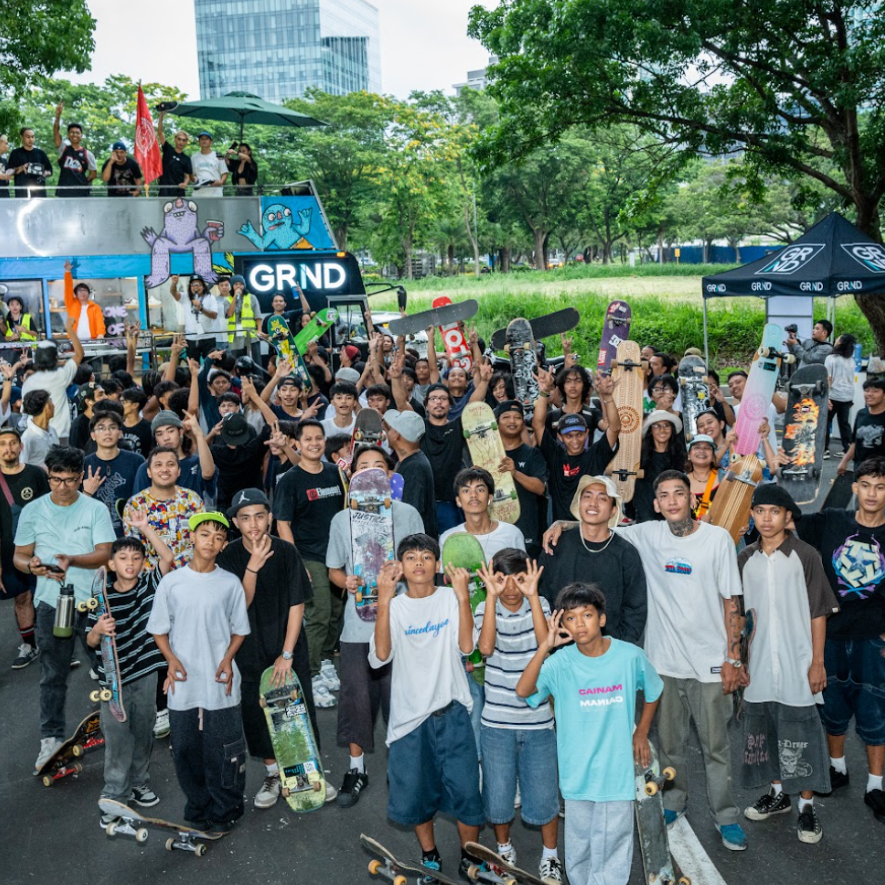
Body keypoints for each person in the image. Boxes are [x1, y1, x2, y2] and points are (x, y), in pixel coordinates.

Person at [544, 470, 748, 850]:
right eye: (664, 496)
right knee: (670, 746)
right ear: (655, 504)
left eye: (679, 494)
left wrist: (733, 658)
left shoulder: (717, 540)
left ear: (692, 499)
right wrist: (561, 521)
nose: (672, 501)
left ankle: (726, 816)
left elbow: (731, 602)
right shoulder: (645, 534)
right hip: (663, 663)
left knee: (716, 748)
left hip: (709, 664)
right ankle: (674, 802)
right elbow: (597, 520)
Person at [516, 582, 663, 885]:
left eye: (587, 615)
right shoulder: (559, 663)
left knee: (612, 849)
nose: (579, 624)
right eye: (571, 618)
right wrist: (545, 645)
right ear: (562, 623)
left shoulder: (629, 656)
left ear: (602, 619)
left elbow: (653, 689)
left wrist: (641, 732)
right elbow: (524, 690)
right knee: (580, 848)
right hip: (576, 775)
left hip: (615, 773)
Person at [368, 534, 485, 881]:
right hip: (410, 720)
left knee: (467, 791)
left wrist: (464, 597)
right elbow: (381, 656)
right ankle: (429, 854)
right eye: (411, 557)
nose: (419, 562)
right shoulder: (396, 605)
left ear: (437, 565)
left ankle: (469, 856)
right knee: (418, 793)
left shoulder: (451, 598)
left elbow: (467, 646)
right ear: (401, 568)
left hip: (453, 714)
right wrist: (385, 601)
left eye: (426, 556)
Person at [738, 484, 839, 844]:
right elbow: (738, 618)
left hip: (798, 664)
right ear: (751, 515)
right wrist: (738, 660)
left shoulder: (805, 555)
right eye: (760, 511)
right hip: (761, 664)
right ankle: (779, 795)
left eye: (774, 512)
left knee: (801, 735)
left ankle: (806, 808)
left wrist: (817, 662)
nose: (766, 518)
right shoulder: (744, 559)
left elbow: (818, 613)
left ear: (788, 517)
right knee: (765, 732)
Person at [216, 488, 329, 809]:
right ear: (236, 522)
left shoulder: (286, 551)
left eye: (259, 516)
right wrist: (252, 566)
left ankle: (308, 773)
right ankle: (272, 774)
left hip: (288, 647)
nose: (253, 524)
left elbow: (297, 604)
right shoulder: (227, 558)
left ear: (269, 518)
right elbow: (238, 607)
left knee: (297, 712)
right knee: (256, 715)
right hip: (248, 650)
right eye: (245, 517)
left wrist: (288, 653)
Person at [326, 447, 424, 807]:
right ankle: (356, 768)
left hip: (401, 622)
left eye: (378, 467)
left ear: (391, 475)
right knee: (356, 698)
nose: (370, 472)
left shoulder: (408, 514)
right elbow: (334, 569)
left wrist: (408, 570)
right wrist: (346, 582)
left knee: (403, 698)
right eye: (362, 467)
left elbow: (424, 565)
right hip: (357, 626)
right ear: (352, 476)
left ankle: (404, 768)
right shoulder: (342, 520)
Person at [794, 457, 885, 826]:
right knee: (831, 707)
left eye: (881, 486)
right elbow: (790, 513)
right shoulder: (832, 520)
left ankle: (876, 785)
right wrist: (779, 459)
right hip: (829, 634)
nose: (873, 494)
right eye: (866, 485)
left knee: (874, 710)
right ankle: (837, 767)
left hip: (872, 641)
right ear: (855, 487)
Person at [13, 446, 114, 773]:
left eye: (70, 480)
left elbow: (104, 553)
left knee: (108, 669)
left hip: (95, 602)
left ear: (81, 476)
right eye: (56, 480)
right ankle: (51, 741)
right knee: (53, 673)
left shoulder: (95, 509)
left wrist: (72, 560)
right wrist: (34, 566)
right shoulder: (33, 510)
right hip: (52, 603)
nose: (63, 487)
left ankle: (116, 726)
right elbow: (20, 556)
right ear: (49, 476)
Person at [147, 512, 250, 831]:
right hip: (184, 681)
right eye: (205, 534)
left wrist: (228, 658)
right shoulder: (172, 583)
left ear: (223, 545)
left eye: (219, 537)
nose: (211, 541)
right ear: (192, 537)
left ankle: (228, 807)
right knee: (187, 750)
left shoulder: (230, 583)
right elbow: (159, 629)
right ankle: (199, 805)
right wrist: (171, 660)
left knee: (226, 748)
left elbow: (240, 630)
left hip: (222, 680)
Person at [475, 549, 562, 883]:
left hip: (539, 721)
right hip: (497, 722)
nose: (511, 586)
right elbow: (485, 648)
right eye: (502, 579)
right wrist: (492, 600)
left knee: (543, 796)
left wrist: (534, 596)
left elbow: (546, 643)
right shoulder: (486, 607)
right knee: (497, 797)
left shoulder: (539, 604)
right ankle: (503, 848)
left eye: (519, 578)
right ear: (491, 580)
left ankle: (551, 856)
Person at [90, 516, 173, 826]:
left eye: (136, 558)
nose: (130, 563)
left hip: (145, 673)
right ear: (111, 564)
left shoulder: (150, 585)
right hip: (113, 680)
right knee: (117, 738)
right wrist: (98, 629)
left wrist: (144, 529)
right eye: (123, 558)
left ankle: (139, 784)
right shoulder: (101, 597)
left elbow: (166, 558)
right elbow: (88, 639)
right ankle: (115, 794)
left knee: (143, 731)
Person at [272, 419, 345, 708]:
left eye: (319, 438)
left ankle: (326, 658)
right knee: (319, 613)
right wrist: (296, 563)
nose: (314, 443)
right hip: (309, 555)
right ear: (297, 444)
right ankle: (311, 674)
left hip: (338, 556)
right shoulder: (290, 480)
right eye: (308, 439)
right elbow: (282, 523)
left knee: (337, 610)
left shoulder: (335, 474)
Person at [389, 352, 490, 534]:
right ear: (426, 404)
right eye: (433, 399)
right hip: (421, 501)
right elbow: (402, 404)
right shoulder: (419, 428)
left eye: (443, 399)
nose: (438, 403)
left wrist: (483, 382)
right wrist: (396, 378)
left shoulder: (457, 427)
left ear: (449, 405)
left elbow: (473, 405)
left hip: (450, 502)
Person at [540, 475, 646, 643]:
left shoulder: (626, 553)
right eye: (587, 496)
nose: (593, 503)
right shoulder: (556, 545)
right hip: (562, 650)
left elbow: (635, 608)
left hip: (610, 650)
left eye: (602, 498)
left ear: (613, 510)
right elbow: (543, 595)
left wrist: (620, 647)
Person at [532, 366, 620, 523]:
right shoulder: (555, 455)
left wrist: (607, 396)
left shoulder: (595, 456)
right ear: (559, 437)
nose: (574, 440)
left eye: (579, 435)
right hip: (560, 527)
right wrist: (544, 392)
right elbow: (538, 425)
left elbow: (614, 428)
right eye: (569, 435)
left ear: (587, 433)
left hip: (590, 525)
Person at [0, 425, 49, 669]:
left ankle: (56, 647)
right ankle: (30, 645)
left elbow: (51, 510)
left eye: (12, 443)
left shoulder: (35, 474)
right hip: (8, 555)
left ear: (21, 446)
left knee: (46, 597)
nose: (7, 448)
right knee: (21, 597)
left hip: (41, 550)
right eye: (2, 444)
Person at [123, 447, 205, 571]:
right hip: (150, 578)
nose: (164, 469)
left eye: (170, 464)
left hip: (188, 574)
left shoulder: (192, 500)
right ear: (149, 472)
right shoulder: (136, 505)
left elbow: (201, 541)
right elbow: (133, 548)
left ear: (178, 471)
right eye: (158, 465)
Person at [495, 400, 547, 557]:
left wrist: (515, 473)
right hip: (495, 527)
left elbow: (540, 488)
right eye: (506, 417)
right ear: (496, 423)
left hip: (526, 528)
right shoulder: (487, 455)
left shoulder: (532, 454)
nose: (512, 421)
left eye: (517, 417)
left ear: (523, 423)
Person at [131, 410, 217, 503]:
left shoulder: (196, 462)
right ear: (156, 439)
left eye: (170, 431)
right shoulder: (146, 468)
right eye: (160, 434)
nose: (166, 438)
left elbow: (208, 473)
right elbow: (139, 504)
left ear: (180, 432)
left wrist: (199, 435)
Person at [83, 411, 145, 537]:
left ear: (120, 433)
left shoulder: (137, 461)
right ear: (93, 435)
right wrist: (87, 493)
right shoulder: (84, 464)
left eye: (112, 427)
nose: (107, 432)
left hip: (131, 532)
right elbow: (75, 510)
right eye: (101, 428)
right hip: (95, 535)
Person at [21, 319, 84, 443]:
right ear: (56, 358)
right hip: (61, 434)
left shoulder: (29, 382)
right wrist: (69, 329)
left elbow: (25, 410)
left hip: (35, 435)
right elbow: (79, 354)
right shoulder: (61, 375)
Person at [440, 467, 527, 556]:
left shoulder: (511, 534)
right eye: (466, 490)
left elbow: (522, 569)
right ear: (458, 501)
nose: (473, 495)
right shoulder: (448, 539)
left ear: (490, 498)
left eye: (480, 490)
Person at [384, 408, 437, 538]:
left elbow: (410, 513)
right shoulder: (410, 462)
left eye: (390, 429)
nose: (387, 433)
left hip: (416, 546)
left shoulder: (414, 468)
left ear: (396, 435)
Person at [837, 377, 885, 477]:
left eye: (875, 391)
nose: (869, 394)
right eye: (867, 391)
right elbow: (855, 442)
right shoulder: (861, 414)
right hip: (860, 468)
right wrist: (844, 461)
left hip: (881, 472)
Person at [170, 275, 220, 362]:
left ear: (203, 286)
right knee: (193, 364)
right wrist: (174, 283)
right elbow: (173, 293)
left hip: (208, 337)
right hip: (192, 338)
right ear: (190, 287)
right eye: (193, 285)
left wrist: (201, 308)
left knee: (211, 363)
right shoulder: (186, 297)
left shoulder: (210, 297)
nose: (196, 287)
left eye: (199, 284)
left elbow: (214, 315)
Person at [52, 102, 96, 197]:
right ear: (68, 135)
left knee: (81, 212)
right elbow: (56, 132)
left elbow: (93, 174)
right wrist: (57, 116)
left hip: (81, 193)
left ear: (81, 135)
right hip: (64, 191)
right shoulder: (63, 149)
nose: (74, 135)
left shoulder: (88, 154)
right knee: (64, 212)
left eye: (77, 133)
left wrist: (83, 182)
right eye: (72, 133)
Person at [825, 333, 857, 460]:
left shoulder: (831, 358)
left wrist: (826, 398)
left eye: (838, 338)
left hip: (833, 395)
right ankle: (847, 450)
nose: (836, 339)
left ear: (840, 342)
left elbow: (828, 378)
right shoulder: (851, 359)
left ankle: (825, 450)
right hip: (848, 396)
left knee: (826, 422)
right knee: (844, 423)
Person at [64, 260, 107, 342]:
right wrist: (67, 272)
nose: (82, 292)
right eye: (79, 290)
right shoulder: (71, 304)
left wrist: (100, 334)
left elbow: (100, 322)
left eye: (84, 290)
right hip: (75, 341)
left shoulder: (95, 307)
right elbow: (68, 289)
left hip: (93, 341)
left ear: (89, 293)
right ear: (75, 294)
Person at [7, 127, 53, 198]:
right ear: (22, 138)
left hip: (39, 192)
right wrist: (21, 168)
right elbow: (8, 172)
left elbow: (50, 170)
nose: (31, 139)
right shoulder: (15, 153)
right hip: (22, 192)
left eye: (32, 137)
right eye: (28, 137)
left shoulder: (41, 153)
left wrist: (45, 173)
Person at [156, 112, 193, 197]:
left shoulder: (186, 159)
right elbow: (160, 132)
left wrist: (185, 183)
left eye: (184, 140)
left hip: (179, 192)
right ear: (175, 139)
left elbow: (188, 176)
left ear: (186, 142)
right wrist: (161, 115)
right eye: (179, 139)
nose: (181, 142)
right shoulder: (168, 149)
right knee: (162, 210)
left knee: (179, 211)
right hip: (164, 190)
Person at [224, 275, 262, 360]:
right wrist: (235, 297)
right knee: (237, 361)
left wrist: (259, 330)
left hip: (250, 335)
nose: (238, 286)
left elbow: (258, 316)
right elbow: (229, 314)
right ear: (232, 286)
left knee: (254, 360)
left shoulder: (252, 297)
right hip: (235, 336)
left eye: (241, 284)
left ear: (244, 285)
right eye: (236, 284)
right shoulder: (228, 300)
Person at [20, 390, 59, 469]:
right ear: (47, 407)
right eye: (51, 402)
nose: (54, 406)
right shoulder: (27, 438)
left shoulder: (53, 431)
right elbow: (22, 467)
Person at [684, 434, 720, 519]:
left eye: (707, 448)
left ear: (713, 457)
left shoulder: (725, 478)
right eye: (696, 447)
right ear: (689, 455)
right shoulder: (681, 482)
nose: (702, 451)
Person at [191, 132, 228, 197]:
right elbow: (190, 175)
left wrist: (221, 182)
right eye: (202, 139)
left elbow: (224, 173)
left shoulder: (218, 155)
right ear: (199, 142)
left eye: (206, 139)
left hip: (215, 194)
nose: (204, 141)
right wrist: (195, 180)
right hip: (198, 194)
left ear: (211, 142)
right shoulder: (194, 157)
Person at [120, 388, 153, 458]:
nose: (121, 405)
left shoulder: (148, 427)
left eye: (124, 402)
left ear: (135, 405)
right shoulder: (117, 426)